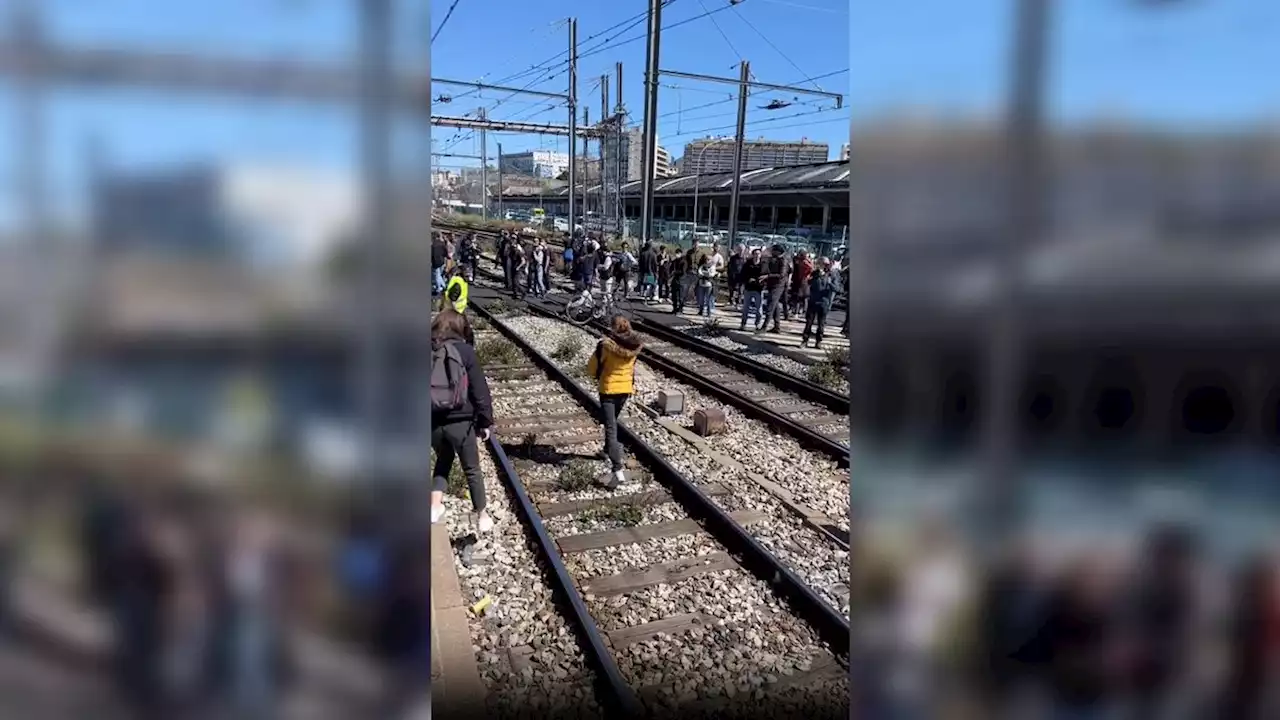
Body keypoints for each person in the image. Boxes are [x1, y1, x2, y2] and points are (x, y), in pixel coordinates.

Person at [430, 309, 495, 531]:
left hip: (434, 421)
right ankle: (482, 515)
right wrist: (485, 421)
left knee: (443, 462)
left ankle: (434, 505)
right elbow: (479, 390)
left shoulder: (428, 349)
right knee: (472, 469)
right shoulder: (465, 351)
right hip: (462, 421)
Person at [585, 315, 644, 490]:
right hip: (625, 390)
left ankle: (617, 469)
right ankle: (605, 451)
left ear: (613, 328)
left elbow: (591, 368)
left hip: (609, 390)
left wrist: (597, 374)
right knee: (612, 422)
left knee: (611, 429)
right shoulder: (634, 346)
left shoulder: (604, 346)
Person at [801, 257, 837, 348]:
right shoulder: (815, 273)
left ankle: (818, 341)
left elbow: (837, 288)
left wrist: (829, 283)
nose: (823, 266)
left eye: (824, 264)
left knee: (821, 324)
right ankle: (805, 340)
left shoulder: (832, 275)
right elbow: (808, 282)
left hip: (824, 302)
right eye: (821, 264)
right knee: (809, 322)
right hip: (813, 301)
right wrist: (815, 277)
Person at [759, 244, 787, 333]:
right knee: (775, 307)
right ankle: (777, 326)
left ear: (778, 251)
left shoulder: (783, 260)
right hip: (772, 285)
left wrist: (768, 276)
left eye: (773, 250)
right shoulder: (774, 259)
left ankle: (764, 327)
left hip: (778, 286)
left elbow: (781, 275)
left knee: (770, 305)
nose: (771, 252)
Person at [739, 248, 764, 331]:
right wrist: (747, 280)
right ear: (753, 255)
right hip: (748, 288)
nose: (757, 255)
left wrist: (759, 281)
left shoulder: (763, 264)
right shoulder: (747, 264)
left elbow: (766, 275)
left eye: (758, 254)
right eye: (755, 254)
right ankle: (743, 323)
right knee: (746, 307)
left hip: (758, 289)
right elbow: (742, 274)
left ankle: (758, 324)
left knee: (759, 308)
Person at [788, 250, 814, 321]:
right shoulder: (802, 261)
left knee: (799, 297)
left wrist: (807, 275)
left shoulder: (804, 261)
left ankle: (797, 312)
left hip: (802, 280)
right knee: (801, 297)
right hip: (801, 280)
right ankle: (800, 311)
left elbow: (811, 268)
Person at [669, 247, 690, 314]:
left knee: (681, 296)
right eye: (676, 253)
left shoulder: (684, 262)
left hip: (682, 281)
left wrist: (675, 272)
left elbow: (683, 271)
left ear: (681, 254)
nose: (676, 255)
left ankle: (680, 309)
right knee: (674, 295)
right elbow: (671, 269)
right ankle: (674, 308)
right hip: (675, 280)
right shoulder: (674, 261)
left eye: (678, 253)